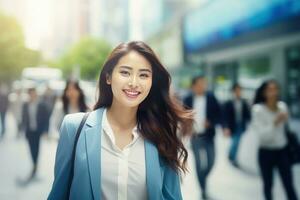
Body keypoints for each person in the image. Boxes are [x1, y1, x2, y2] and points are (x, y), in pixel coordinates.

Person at [48, 41, 193, 200]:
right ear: (108, 77)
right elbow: (58, 194)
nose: (134, 83)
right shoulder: (73, 128)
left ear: (152, 82)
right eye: (125, 72)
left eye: (143, 75)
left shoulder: (162, 134)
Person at [252, 80, 298, 200]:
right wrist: (275, 122)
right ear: (264, 93)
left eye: (275, 89)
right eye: (270, 90)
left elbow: (286, 130)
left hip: (282, 151)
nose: (273, 93)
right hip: (266, 152)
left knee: (289, 184)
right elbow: (262, 136)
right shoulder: (258, 109)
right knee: (268, 185)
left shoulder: (282, 106)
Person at [183, 75, 221, 200]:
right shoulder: (188, 99)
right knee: (199, 165)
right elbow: (183, 116)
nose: (202, 86)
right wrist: (187, 126)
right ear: (193, 86)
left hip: (209, 136)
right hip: (195, 137)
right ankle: (203, 189)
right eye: (199, 84)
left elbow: (219, 114)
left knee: (211, 162)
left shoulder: (211, 97)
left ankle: (203, 178)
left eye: (204, 84)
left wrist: (211, 122)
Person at [21, 87, 48, 180]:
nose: (32, 95)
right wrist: (22, 128)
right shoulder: (25, 104)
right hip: (29, 131)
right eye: (30, 93)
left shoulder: (42, 105)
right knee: (31, 148)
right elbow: (23, 117)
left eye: (34, 93)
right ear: (29, 94)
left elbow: (46, 118)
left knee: (37, 148)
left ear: (36, 94)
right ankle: (34, 163)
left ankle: (35, 165)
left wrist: (45, 131)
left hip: (38, 130)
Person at [222, 83, 251, 167]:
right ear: (233, 92)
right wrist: (225, 127)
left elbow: (247, 115)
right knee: (235, 142)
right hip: (232, 126)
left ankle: (232, 156)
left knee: (237, 142)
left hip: (241, 125)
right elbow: (225, 116)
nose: (238, 92)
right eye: (237, 90)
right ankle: (232, 157)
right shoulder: (228, 103)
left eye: (240, 90)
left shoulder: (244, 102)